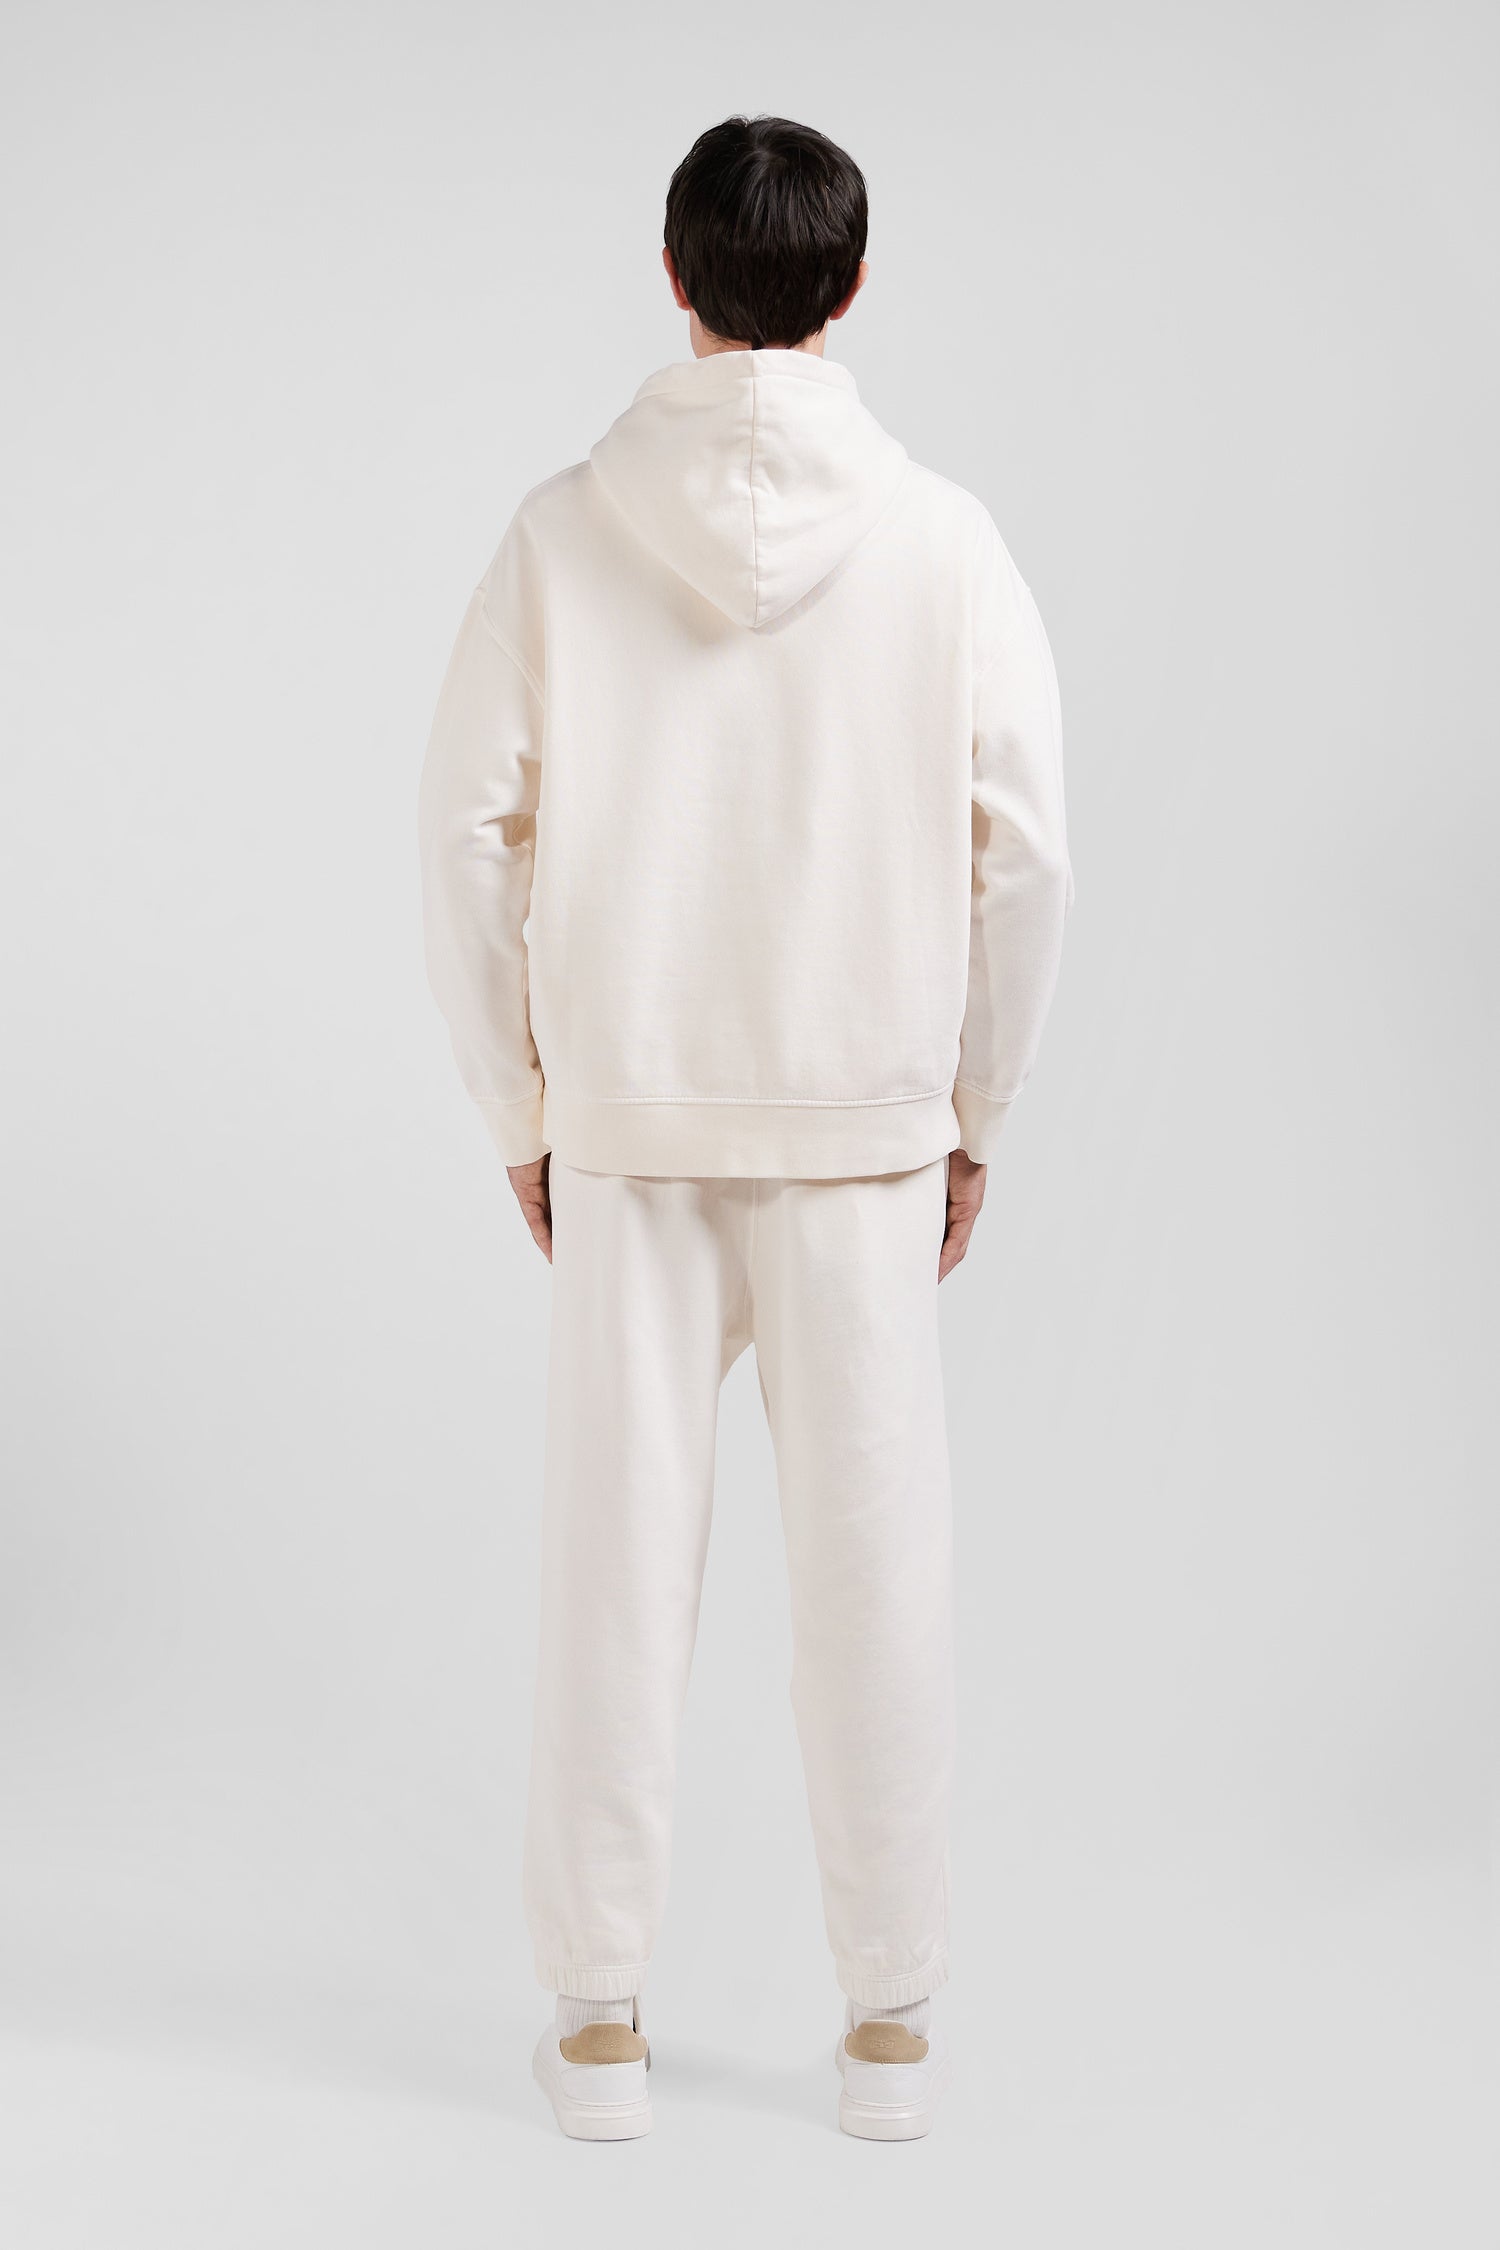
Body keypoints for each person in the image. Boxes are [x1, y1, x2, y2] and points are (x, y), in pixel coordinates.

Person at [418, 113, 1071, 2143]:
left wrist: (524, 1099)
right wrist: (975, 1105)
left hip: (632, 1119)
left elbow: (465, 831)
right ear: (850, 287)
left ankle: (598, 2027)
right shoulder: (947, 539)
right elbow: (1028, 854)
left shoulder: (562, 531)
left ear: (675, 278)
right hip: (863, 1127)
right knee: (878, 1574)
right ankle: (890, 2037)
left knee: (615, 1570)